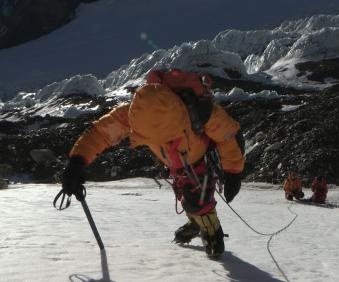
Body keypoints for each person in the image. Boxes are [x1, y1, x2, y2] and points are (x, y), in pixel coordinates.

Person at [61, 69, 245, 258]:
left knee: (198, 200)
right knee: (187, 194)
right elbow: (100, 133)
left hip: (198, 160)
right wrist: (77, 161)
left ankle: (213, 235)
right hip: (177, 161)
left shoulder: (202, 112)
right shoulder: (137, 112)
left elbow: (228, 137)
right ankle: (198, 221)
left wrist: (233, 172)